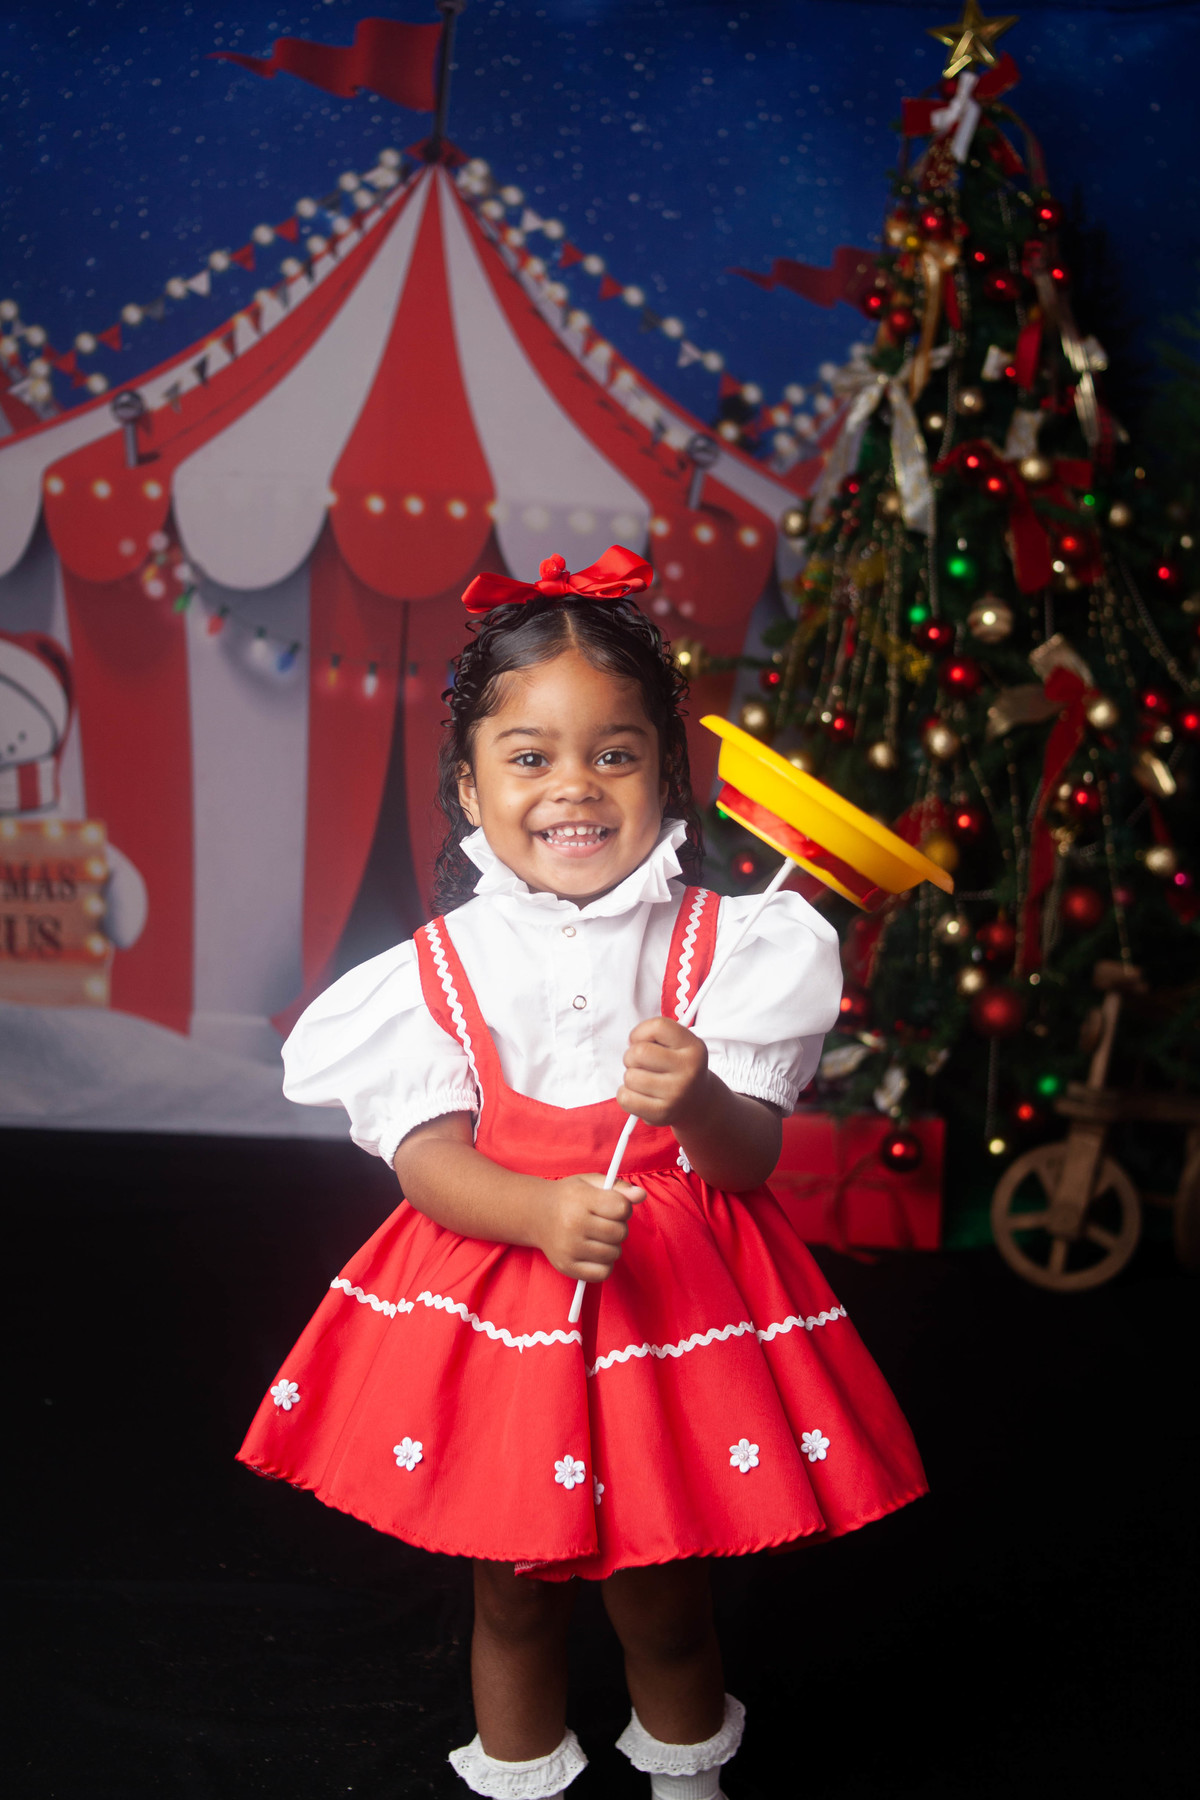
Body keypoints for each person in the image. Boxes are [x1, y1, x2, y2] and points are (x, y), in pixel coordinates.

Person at [239, 547, 927, 1800]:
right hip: (506, 1307)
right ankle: (521, 1778)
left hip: (679, 1313)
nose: (575, 788)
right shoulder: (435, 968)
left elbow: (752, 1158)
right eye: (531, 756)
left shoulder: (732, 946)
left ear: (668, 774)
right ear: (469, 786)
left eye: (615, 753)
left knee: (664, 1592)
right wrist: (541, 1210)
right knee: (510, 1595)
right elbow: (427, 1165)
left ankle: (684, 1780)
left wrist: (702, 1097)